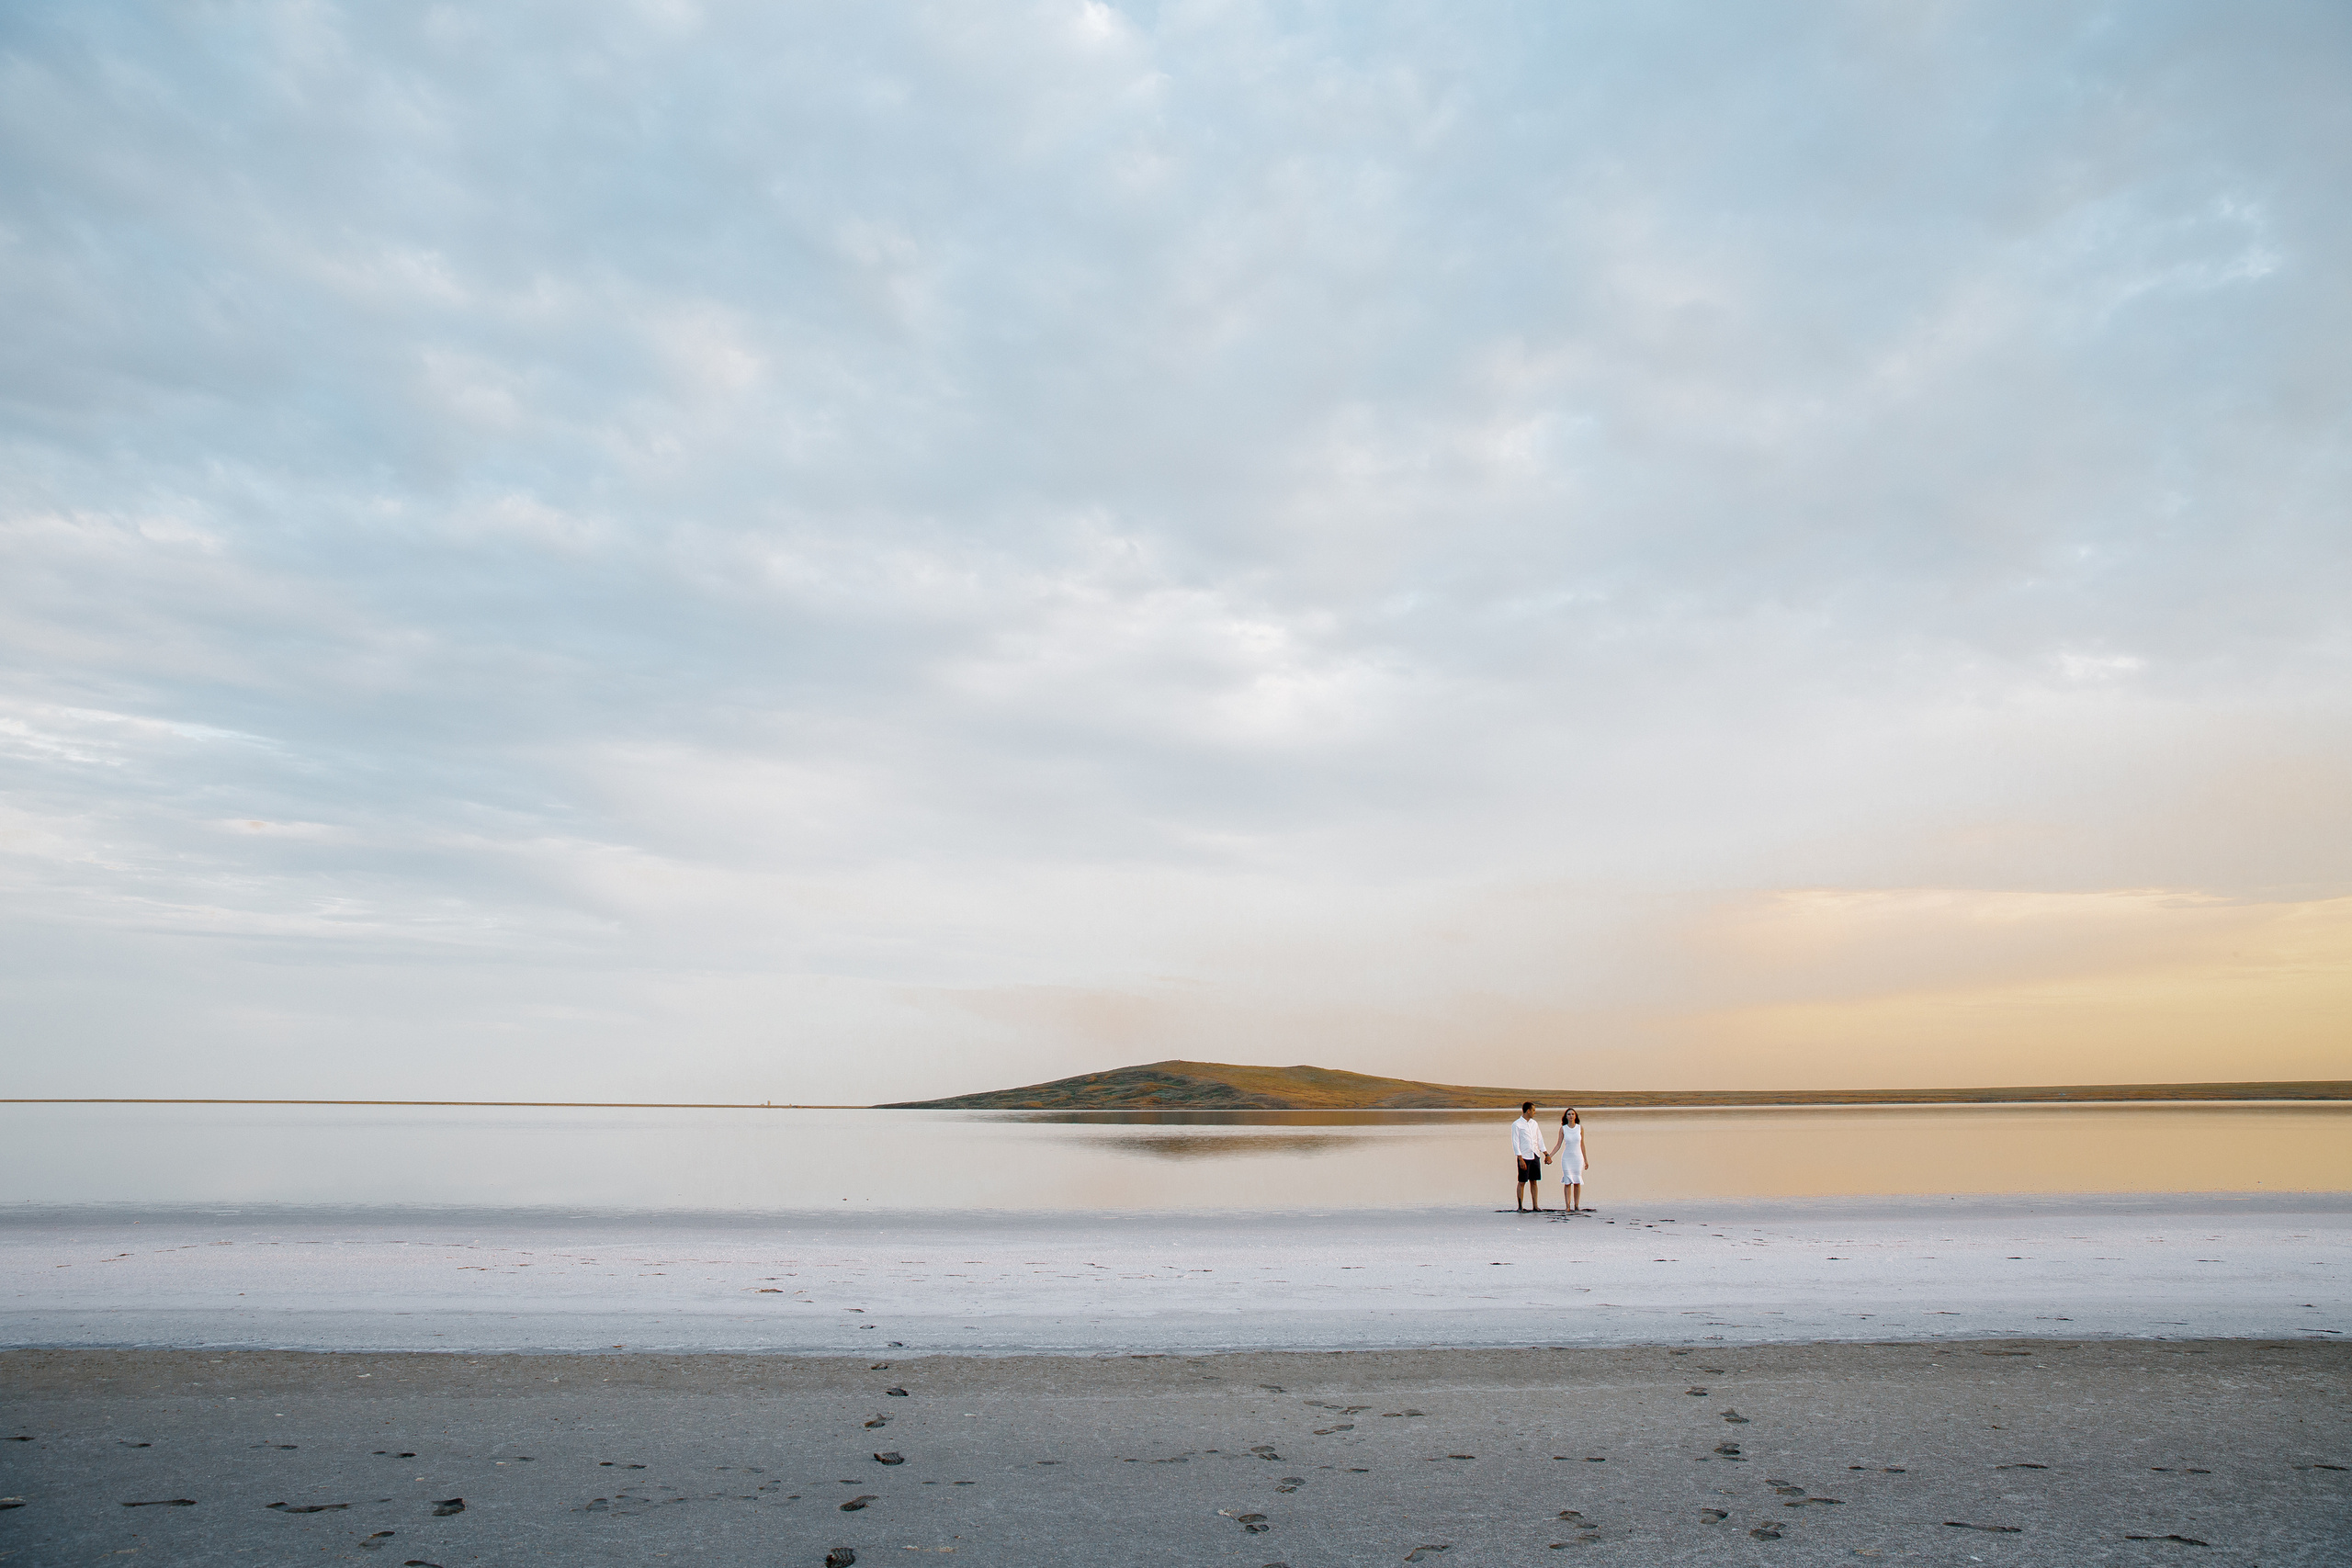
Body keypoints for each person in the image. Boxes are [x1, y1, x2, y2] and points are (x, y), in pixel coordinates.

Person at [1548, 1106, 1590, 1213]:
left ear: (1575, 1116)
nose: (1571, 1116)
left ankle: (1576, 1206)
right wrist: (1550, 1155)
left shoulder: (1580, 1128)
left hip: (1578, 1158)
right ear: (1566, 1117)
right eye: (1569, 1114)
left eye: (1572, 1114)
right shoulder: (1563, 1129)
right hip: (1567, 1158)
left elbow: (1582, 1144)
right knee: (1567, 1181)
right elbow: (1558, 1145)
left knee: (1577, 1181)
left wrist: (1585, 1160)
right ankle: (1567, 1206)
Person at [1510, 1101, 1547, 1212]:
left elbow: (1539, 1139)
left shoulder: (1534, 1123)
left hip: (1534, 1154)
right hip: (1524, 1156)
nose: (1535, 1112)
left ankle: (1535, 1205)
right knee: (1522, 1181)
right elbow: (1515, 1142)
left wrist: (1546, 1153)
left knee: (1534, 1181)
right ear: (1528, 1111)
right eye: (1534, 1110)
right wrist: (1520, 1158)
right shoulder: (1517, 1124)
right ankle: (1520, 1206)